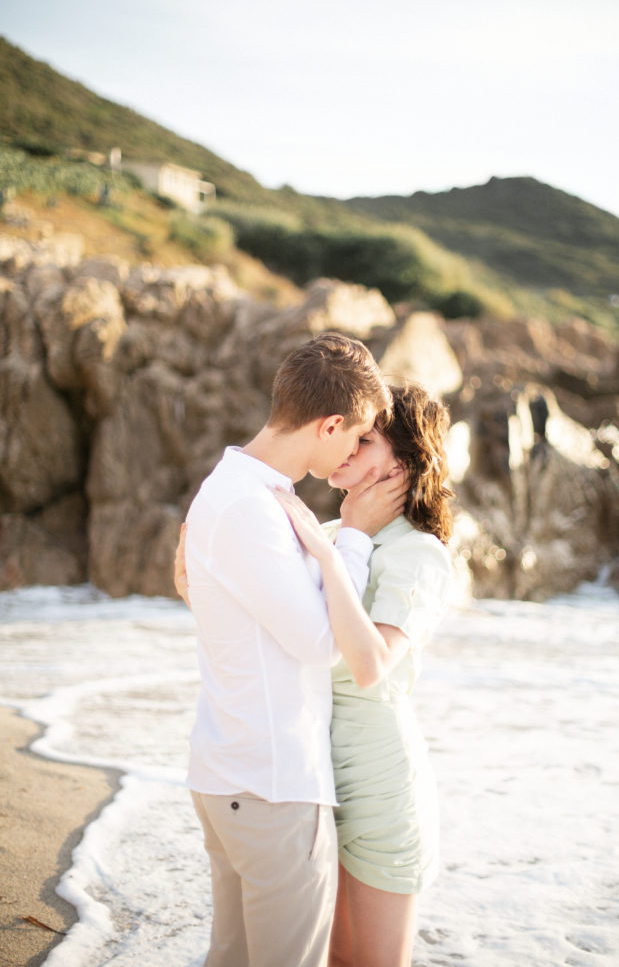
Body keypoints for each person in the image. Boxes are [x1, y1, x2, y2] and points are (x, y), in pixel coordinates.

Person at [178, 331, 409, 967]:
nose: (354, 452)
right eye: (355, 437)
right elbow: (322, 642)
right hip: (272, 784)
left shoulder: (239, 490)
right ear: (329, 424)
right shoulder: (250, 506)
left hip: (234, 772)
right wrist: (354, 538)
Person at [273, 382, 454, 967]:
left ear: (402, 463)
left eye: (366, 439)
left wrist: (342, 540)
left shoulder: (418, 553)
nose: (348, 447)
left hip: (377, 781)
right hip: (309, 777)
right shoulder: (331, 538)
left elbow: (370, 665)